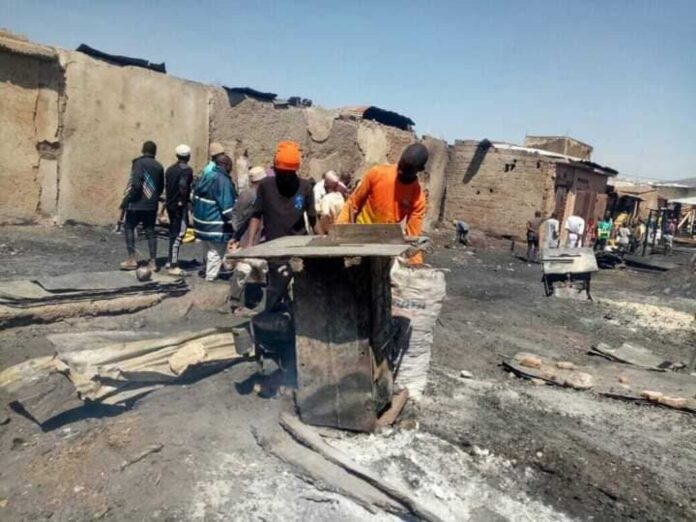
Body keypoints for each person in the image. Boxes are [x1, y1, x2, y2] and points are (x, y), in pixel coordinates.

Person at [244, 141, 317, 312]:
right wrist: (250, 242)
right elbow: (256, 215)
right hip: (275, 248)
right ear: (275, 169)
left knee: (301, 289)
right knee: (276, 288)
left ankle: (298, 321)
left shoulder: (305, 187)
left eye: (289, 174)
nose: (286, 177)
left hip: (299, 248)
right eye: (282, 173)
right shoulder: (265, 186)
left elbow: (313, 219)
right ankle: (271, 321)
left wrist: (324, 241)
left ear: (296, 171)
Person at [336, 143, 428, 263]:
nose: (400, 170)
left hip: (386, 244)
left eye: (407, 168)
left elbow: (413, 236)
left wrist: (415, 264)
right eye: (401, 164)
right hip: (361, 237)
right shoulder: (377, 174)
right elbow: (353, 203)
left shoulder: (417, 198)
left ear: (420, 169)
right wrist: (339, 232)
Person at [228, 166, 268, 313]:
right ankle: (235, 303)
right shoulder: (249, 195)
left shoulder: (263, 193)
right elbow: (238, 217)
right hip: (247, 238)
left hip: (261, 237)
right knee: (243, 270)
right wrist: (236, 236)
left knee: (260, 271)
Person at [120, 141, 164, 271]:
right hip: (151, 205)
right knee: (151, 232)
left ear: (142, 150)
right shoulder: (159, 166)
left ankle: (132, 259)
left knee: (129, 227)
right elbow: (161, 187)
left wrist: (127, 200)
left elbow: (136, 185)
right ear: (154, 152)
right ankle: (153, 262)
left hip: (137, 204)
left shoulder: (138, 163)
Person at [192, 154, 237, 281]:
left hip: (201, 222)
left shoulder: (206, 176)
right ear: (227, 165)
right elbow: (228, 207)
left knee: (207, 247)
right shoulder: (222, 181)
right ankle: (210, 278)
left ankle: (206, 270)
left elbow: (194, 197)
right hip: (215, 223)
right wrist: (236, 224)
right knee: (216, 251)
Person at [164, 144, 194, 276]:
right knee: (179, 234)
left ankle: (170, 260)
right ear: (188, 156)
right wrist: (183, 201)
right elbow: (183, 185)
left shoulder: (170, 170)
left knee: (172, 231)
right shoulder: (186, 170)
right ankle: (174, 265)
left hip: (170, 205)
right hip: (179, 206)